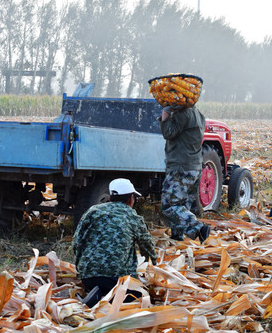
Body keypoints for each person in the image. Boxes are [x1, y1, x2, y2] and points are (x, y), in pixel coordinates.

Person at [72, 178, 157, 307]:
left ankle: (96, 294)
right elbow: (147, 247)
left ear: (111, 197)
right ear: (130, 199)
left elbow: (77, 242)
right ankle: (103, 300)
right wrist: (153, 267)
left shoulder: (93, 211)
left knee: (103, 286)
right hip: (117, 280)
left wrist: (81, 268)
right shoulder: (132, 216)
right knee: (139, 297)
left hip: (88, 277)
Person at [159, 105, 210, 243]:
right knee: (182, 204)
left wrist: (165, 115)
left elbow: (168, 133)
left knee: (169, 205)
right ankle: (177, 237)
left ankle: (199, 229)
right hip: (194, 166)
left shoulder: (183, 114)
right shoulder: (198, 114)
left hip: (181, 167)